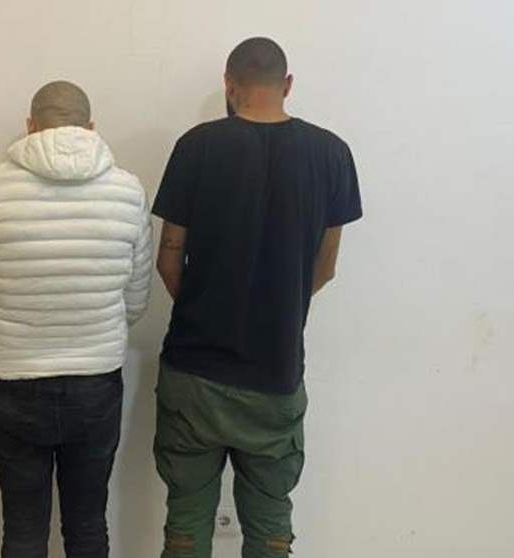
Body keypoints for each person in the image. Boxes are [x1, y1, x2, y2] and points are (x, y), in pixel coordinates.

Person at [151, 37, 363, 558]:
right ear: (287, 85)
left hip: (194, 373)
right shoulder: (332, 154)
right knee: (270, 529)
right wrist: (281, 307)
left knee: (186, 526)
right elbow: (326, 267)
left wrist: (203, 306)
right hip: (276, 372)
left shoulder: (196, 147)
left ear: (229, 84)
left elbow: (168, 258)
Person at [0, 80, 153, 558]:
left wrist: (13, 337)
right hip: (96, 381)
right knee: (87, 525)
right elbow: (135, 299)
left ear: (30, 127)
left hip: (13, 381)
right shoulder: (127, 192)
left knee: (23, 529)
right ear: (90, 127)